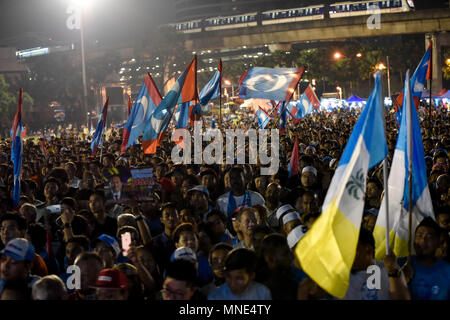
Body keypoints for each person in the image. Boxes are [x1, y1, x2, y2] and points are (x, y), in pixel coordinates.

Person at [407, 217, 450, 300]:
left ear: (438, 242)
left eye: (429, 237)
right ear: (413, 240)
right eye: (419, 236)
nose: (423, 241)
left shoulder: (447, 270)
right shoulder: (401, 265)